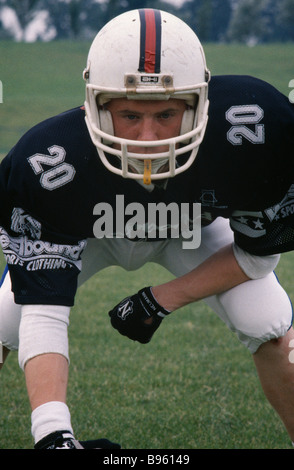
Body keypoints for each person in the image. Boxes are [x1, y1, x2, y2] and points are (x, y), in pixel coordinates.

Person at [0, 7, 294, 449]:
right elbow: (44, 307)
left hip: (189, 229)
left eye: (167, 114)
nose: (148, 139)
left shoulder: (254, 127)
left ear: (201, 103)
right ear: (94, 105)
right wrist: (52, 435)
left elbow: (256, 254)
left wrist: (159, 300)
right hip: (91, 233)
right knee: (5, 321)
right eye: (130, 115)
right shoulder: (48, 162)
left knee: (268, 320)